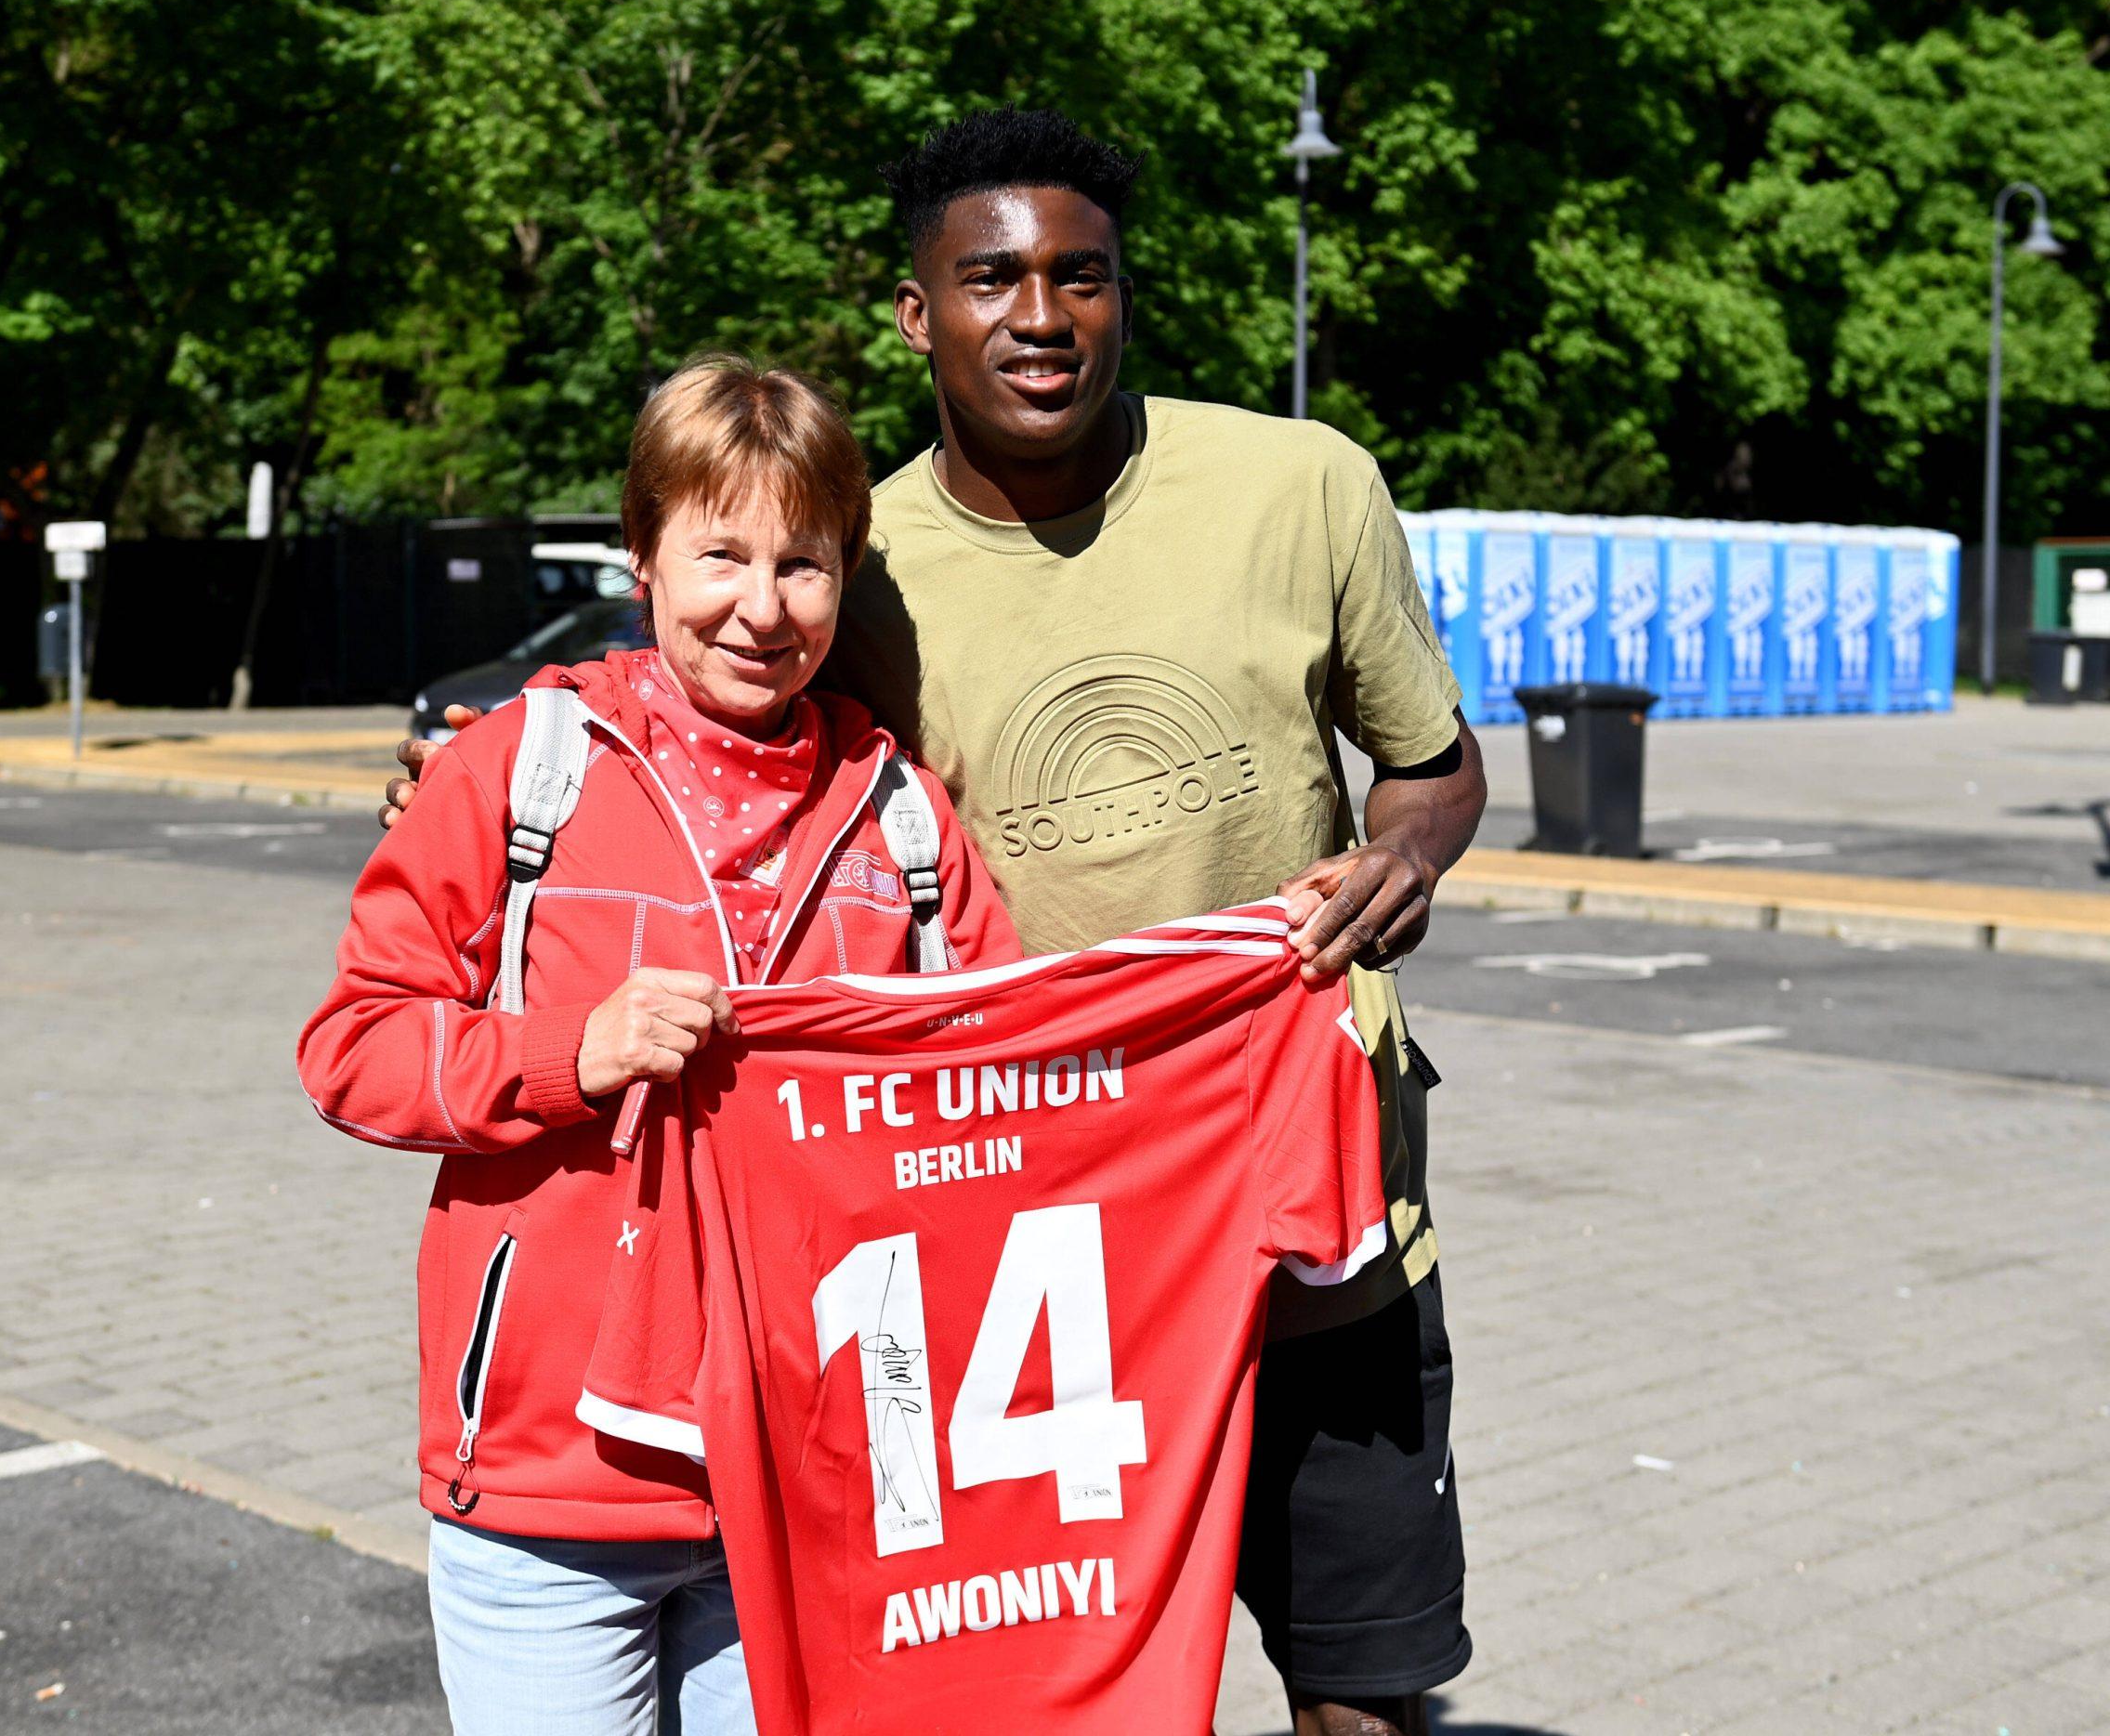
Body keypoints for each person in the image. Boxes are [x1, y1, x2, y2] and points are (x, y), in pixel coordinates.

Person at [390, 110, 1488, 1736]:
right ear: (921, 312)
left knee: (1366, 1690)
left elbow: (1437, 770)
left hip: (1305, 1201)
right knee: (1046, 1682)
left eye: (1081, 277)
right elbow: (714, 697)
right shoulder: (862, 556)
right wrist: (471, 771)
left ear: (1124, 294)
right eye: (992, 280)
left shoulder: (1301, 485)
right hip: (1035, 1262)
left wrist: (1405, 862)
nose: (1040, 317)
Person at [304, 355, 1022, 1736]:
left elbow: (999, 1096)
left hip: (808, 1490)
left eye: (805, 566)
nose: (763, 608)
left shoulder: (904, 823)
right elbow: (353, 1045)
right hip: (546, 1493)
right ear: (642, 557)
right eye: (720, 556)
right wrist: (569, 1052)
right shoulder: (519, 769)